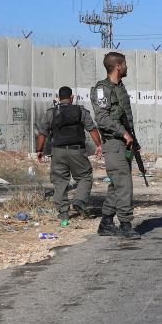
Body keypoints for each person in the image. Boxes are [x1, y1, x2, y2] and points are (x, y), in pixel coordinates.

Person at [91, 51, 140, 239]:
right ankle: (126, 225)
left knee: (116, 184)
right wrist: (123, 133)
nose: (127, 67)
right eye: (124, 64)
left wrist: (132, 138)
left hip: (123, 143)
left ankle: (106, 222)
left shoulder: (119, 87)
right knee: (124, 183)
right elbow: (102, 118)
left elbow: (124, 117)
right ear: (118, 66)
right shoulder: (102, 89)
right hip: (113, 142)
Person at [35, 86, 102, 221]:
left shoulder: (51, 113)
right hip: (77, 151)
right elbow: (92, 129)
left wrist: (39, 150)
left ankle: (63, 213)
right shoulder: (81, 111)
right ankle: (79, 201)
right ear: (72, 98)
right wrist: (99, 145)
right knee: (85, 176)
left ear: (59, 98)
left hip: (58, 152)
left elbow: (42, 133)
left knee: (60, 181)